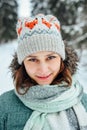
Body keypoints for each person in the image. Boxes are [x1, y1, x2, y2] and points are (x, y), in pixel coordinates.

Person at [0, 14, 87, 130]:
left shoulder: (83, 102)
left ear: (62, 59)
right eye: (32, 59)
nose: (43, 69)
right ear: (22, 63)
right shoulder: (4, 105)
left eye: (50, 57)